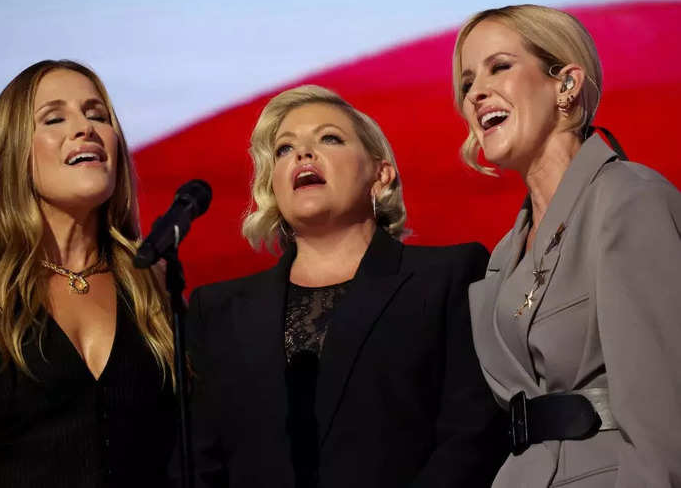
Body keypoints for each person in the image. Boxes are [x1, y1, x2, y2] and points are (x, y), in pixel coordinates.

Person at [185, 85, 506, 488]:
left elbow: (472, 435)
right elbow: (200, 463)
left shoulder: (449, 277)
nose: (302, 155)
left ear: (380, 173)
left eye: (329, 139)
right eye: (284, 149)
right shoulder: (217, 310)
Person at [453, 4, 681, 487]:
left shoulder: (629, 201)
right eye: (467, 82)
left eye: (499, 67)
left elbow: (666, 423)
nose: (476, 93)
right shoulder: (501, 255)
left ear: (566, 84)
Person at [0, 60, 177, 487]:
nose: (85, 128)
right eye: (54, 118)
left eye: (97, 115)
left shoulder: (153, 287)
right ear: (12, 150)